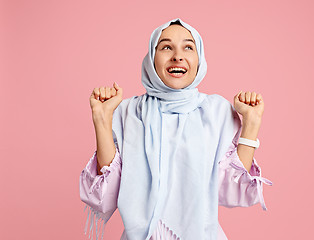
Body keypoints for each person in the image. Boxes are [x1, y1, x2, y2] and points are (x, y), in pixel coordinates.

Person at [79, 18, 272, 240]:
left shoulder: (216, 112)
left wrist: (251, 123)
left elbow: (232, 192)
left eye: (188, 47)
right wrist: (102, 120)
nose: (177, 56)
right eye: (166, 47)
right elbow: (105, 196)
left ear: (199, 59)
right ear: (152, 58)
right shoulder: (128, 112)